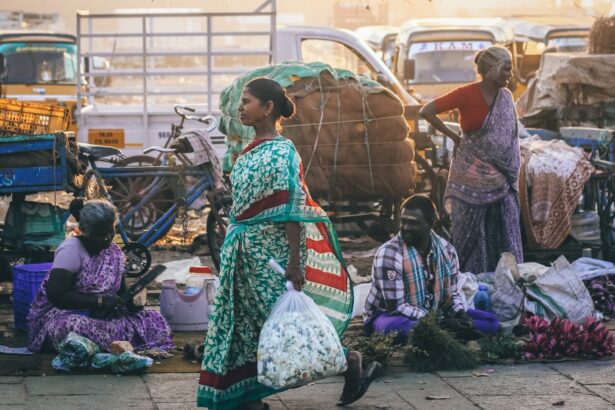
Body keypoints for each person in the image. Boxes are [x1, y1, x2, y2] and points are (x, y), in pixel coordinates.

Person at [196, 77, 381, 410]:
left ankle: (347, 359)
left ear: (268, 108)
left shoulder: (283, 152)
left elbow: (292, 210)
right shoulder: (246, 150)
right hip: (243, 253)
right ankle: (246, 398)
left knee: (285, 324)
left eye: (248, 101)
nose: (241, 107)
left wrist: (295, 263)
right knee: (241, 324)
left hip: (274, 256)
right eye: (241, 101)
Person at [419, 46, 523, 274]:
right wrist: (453, 136)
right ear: (489, 69)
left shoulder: (505, 98)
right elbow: (426, 111)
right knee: (472, 234)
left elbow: (510, 139)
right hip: (470, 176)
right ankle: (471, 280)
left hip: (502, 179)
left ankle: (506, 279)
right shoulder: (466, 94)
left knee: (503, 226)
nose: (509, 75)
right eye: (506, 69)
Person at [27, 199, 172, 352]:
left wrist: (132, 303)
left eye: (111, 232)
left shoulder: (115, 252)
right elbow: (56, 295)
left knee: (153, 319)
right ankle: (116, 342)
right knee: (73, 327)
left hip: (104, 315)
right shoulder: (70, 250)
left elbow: (121, 291)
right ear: (86, 231)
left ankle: (111, 343)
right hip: (66, 314)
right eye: (101, 234)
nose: (108, 238)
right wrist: (99, 302)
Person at [363, 195, 499, 343]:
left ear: (430, 223)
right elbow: (396, 307)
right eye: (403, 221)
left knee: (491, 322)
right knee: (395, 328)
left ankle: (443, 332)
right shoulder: (389, 254)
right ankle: (447, 331)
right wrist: (440, 323)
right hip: (389, 316)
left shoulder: (447, 250)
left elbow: (452, 294)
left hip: (433, 313)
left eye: (413, 223)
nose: (405, 227)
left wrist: (460, 314)